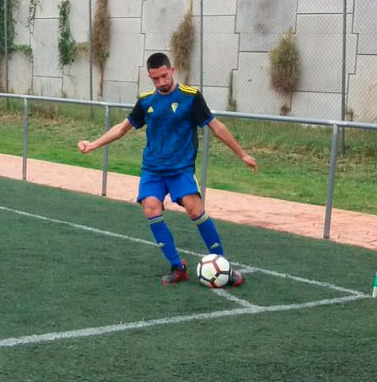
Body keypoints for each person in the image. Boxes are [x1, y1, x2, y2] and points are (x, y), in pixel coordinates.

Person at [78, 52, 257, 286]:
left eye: (164, 76)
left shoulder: (191, 97)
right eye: (155, 79)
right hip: (152, 169)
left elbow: (216, 127)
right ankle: (177, 266)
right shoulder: (145, 102)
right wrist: (93, 144)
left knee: (195, 209)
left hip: (180, 168)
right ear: (150, 78)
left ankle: (223, 265)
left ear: (172, 70)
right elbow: (122, 128)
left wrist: (241, 153)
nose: (161, 82)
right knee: (151, 209)